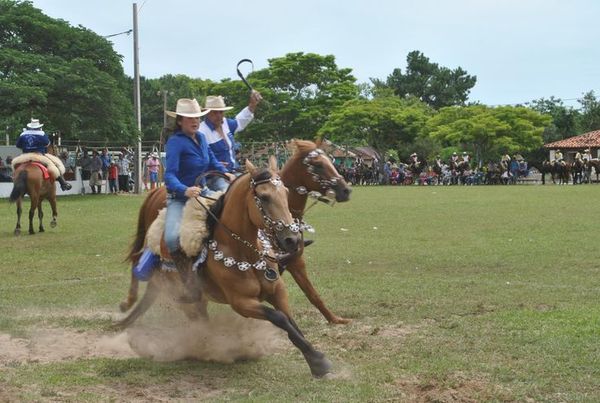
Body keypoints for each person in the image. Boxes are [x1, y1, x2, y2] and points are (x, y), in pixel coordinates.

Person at [135, 98, 235, 298]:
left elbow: (212, 161)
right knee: (172, 239)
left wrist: (226, 173)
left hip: (204, 193)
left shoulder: (202, 138)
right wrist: (185, 189)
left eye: (197, 117)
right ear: (180, 120)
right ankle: (189, 284)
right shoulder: (175, 142)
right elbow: (169, 175)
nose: (195, 121)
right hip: (179, 199)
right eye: (190, 118)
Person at [199, 91, 262, 191]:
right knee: (229, 192)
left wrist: (252, 105)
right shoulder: (201, 131)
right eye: (215, 112)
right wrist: (214, 164)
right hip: (215, 177)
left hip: (234, 172)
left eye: (221, 112)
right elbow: (199, 159)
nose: (219, 115)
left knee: (256, 188)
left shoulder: (226, 124)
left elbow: (240, 121)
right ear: (207, 113)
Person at [14, 118, 72, 191]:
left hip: (25, 156)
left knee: (14, 164)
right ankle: (63, 183)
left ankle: (14, 177)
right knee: (54, 165)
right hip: (39, 156)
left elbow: (18, 146)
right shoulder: (41, 134)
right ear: (38, 127)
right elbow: (47, 144)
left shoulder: (23, 134)